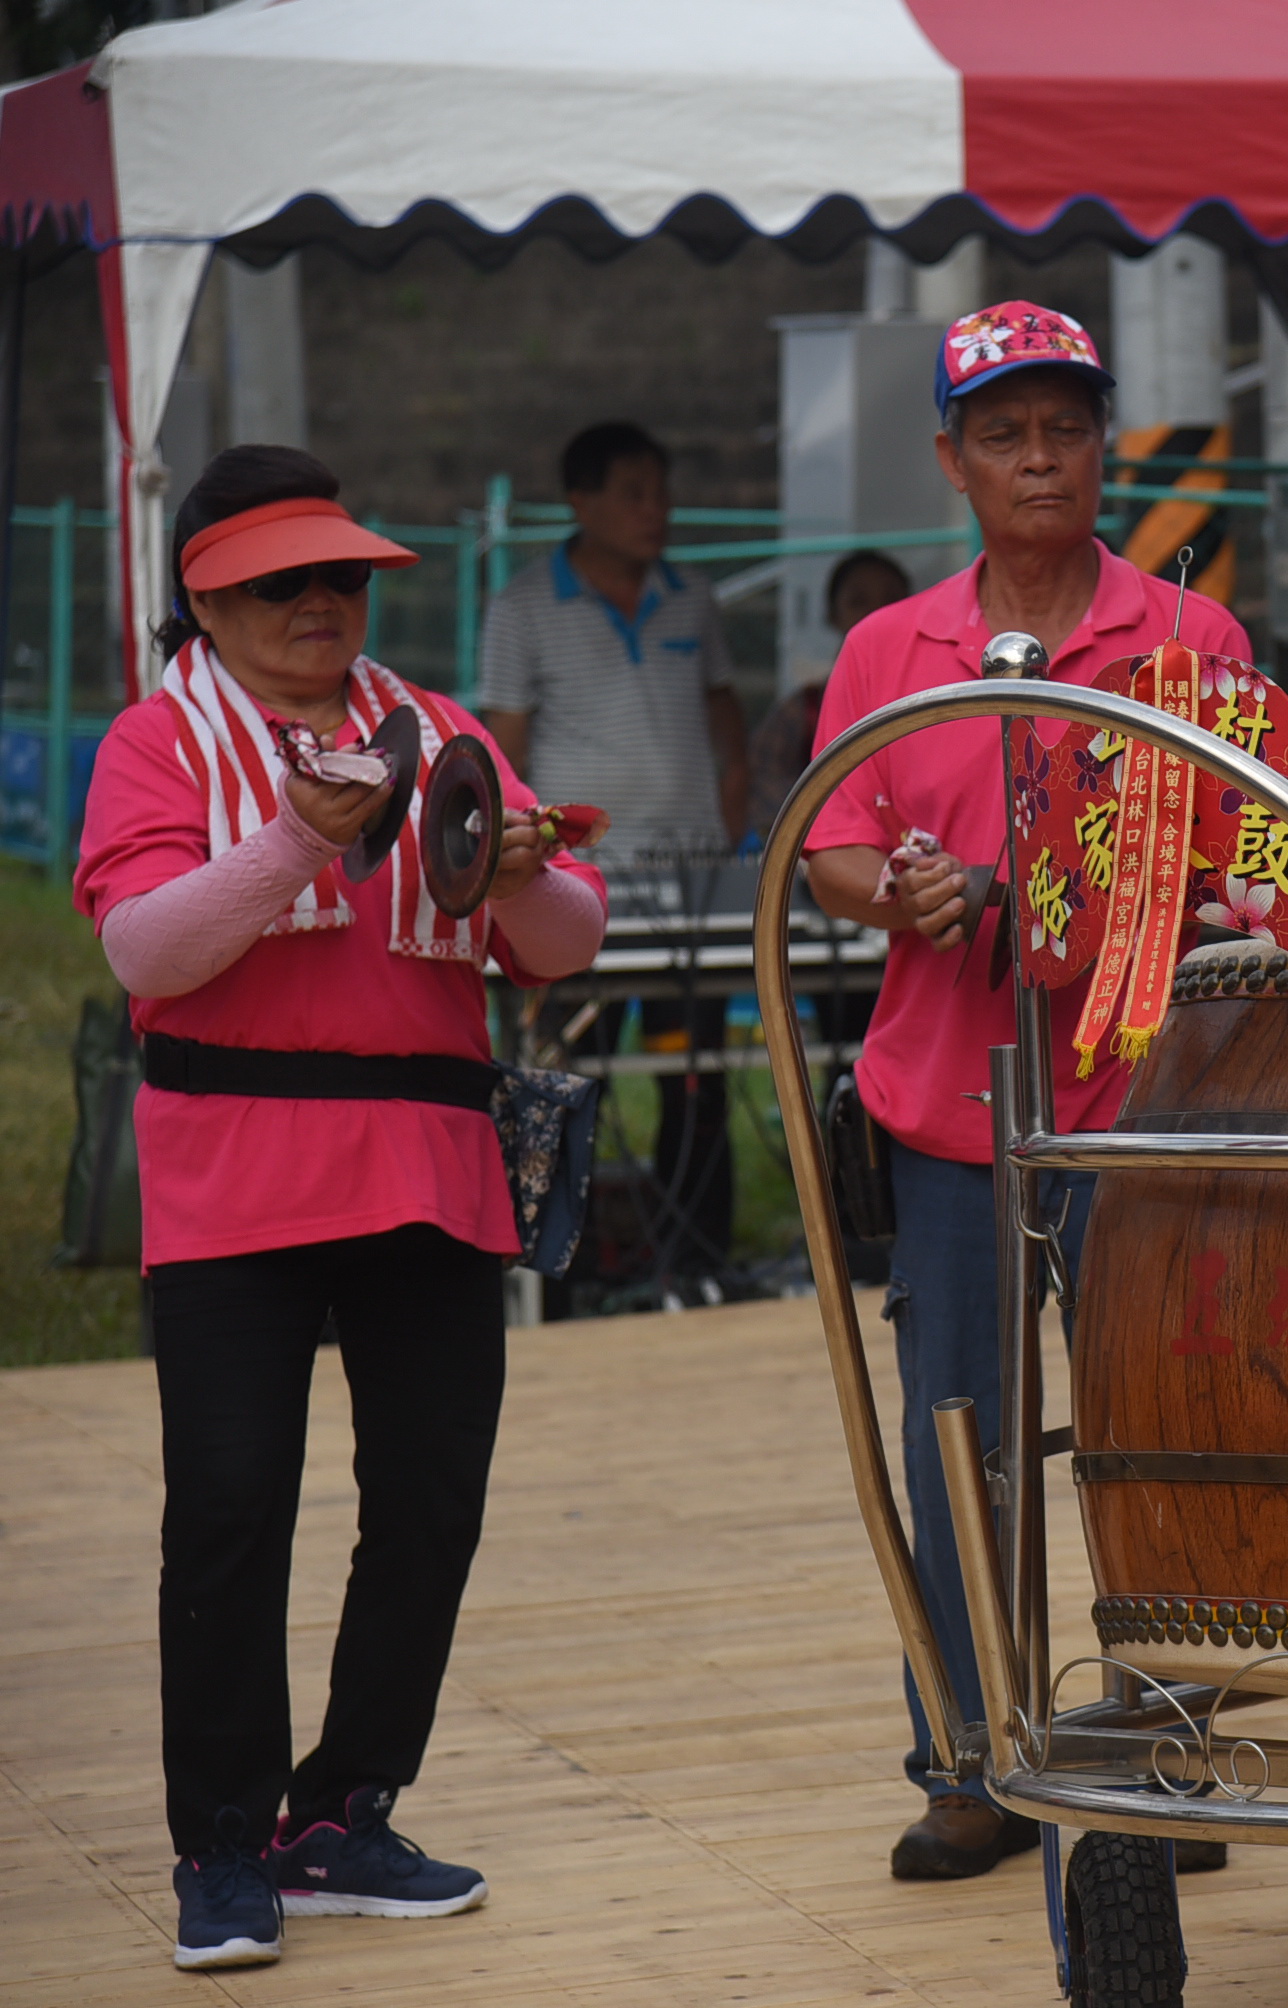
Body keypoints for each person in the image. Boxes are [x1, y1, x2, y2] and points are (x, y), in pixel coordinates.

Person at [72, 446, 608, 1971]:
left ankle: (343, 1808)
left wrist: (516, 872)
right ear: (206, 596)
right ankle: (223, 1844)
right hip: (233, 1169)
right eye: (280, 582)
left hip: (425, 1165)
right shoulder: (156, 740)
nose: (321, 604)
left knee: (431, 1501)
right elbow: (149, 950)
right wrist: (304, 831)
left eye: (342, 578)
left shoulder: (435, 729)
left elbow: (560, 944)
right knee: (231, 1511)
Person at [802, 300, 1251, 1880]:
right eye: (1004, 432)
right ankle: (970, 1758)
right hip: (949, 1106)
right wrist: (894, 897)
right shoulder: (887, 648)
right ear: (954, 460)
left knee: (1155, 1430)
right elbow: (836, 836)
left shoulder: (1192, 638)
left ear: (1105, 441)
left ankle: (1169, 1745)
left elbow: (1243, 850)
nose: (1038, 455)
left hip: (1145, 1101)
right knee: (958, 1435)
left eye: (1064, 424)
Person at [482, 422, 748, 1286]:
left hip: (689, 890)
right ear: (580, 502)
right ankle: (565, 1270)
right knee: (564, 1080)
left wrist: (727, 835)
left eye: (661, 491)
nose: (654, 511)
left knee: (694, 1080)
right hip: (572, 893)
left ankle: (696, 1263)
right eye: (633, 492)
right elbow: (503, 755)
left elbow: (726, 728)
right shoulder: (523, 606)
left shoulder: (693, 597)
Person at [749, 548, 913, 837]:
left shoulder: (932, 702)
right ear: (832, 615)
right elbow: (767, 794)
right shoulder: (802, 710)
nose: (875, 613)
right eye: (858, 601)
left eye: (891, 600)